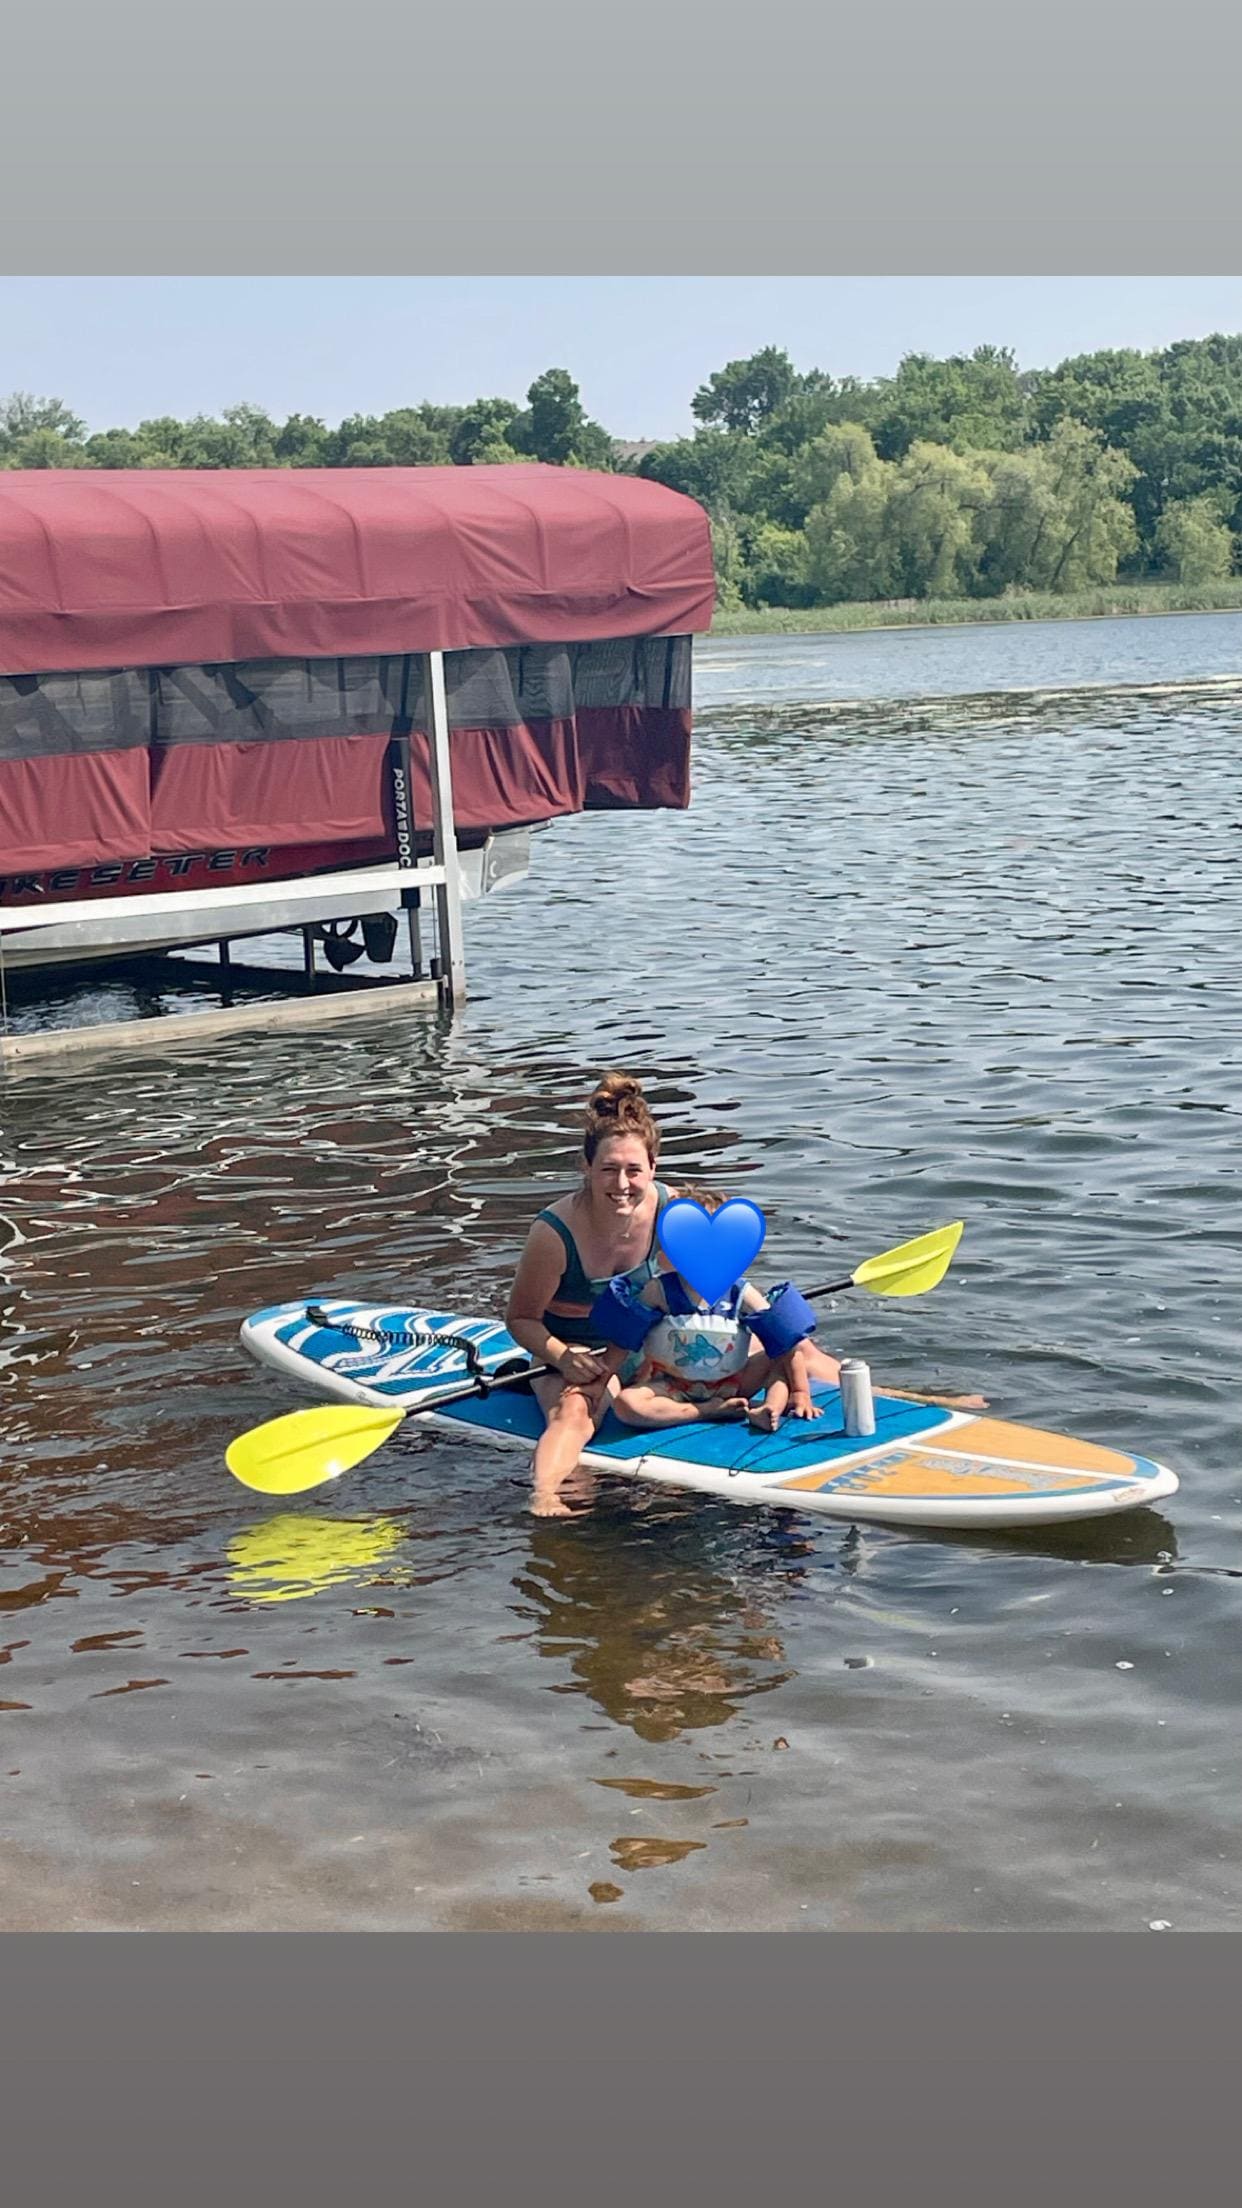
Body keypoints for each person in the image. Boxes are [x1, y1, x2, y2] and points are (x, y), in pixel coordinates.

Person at [505, 1072, 675, 1518]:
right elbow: (521, 1320)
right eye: (609, 1169)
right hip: (577, 1353)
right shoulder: (553, 1233)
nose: (622, 1183)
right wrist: (563, 1358)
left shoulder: (674, 1212)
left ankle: (871, 1394)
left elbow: (699, 1292)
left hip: (641, 1347)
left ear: (653, 1168)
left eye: (634, 1170)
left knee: (766, 1349)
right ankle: (544, 1494)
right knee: (577, 1414)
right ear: (586, 1167)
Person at [601, 1186, 824, 1434]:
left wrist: (801, 1392)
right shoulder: (658, 1291)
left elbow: (786, 1342)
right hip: (674, 1386)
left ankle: (768, 1408)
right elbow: (624, 1336)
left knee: (777, 1359)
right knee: (626, 1404)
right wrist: (599, 1382)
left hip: (735, 1383)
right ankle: (707, 1411)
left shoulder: (742, 1294)